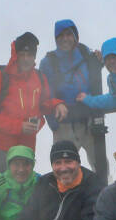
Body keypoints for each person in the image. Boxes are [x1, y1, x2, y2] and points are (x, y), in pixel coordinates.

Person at [0, 32, 68, 179]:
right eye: (22, 54)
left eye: (30, 55)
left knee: (24, 196)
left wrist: (57, 104)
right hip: (0, 149)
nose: (26, 59)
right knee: (2, 194)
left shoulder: (39, 77)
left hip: (26, 149)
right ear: (15, 54)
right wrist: (19, 126)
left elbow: (44, 103)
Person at [39, 19, 108, 185]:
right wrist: (54, 119)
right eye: (60, 35)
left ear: (76, 36)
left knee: (101, 167)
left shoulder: (88, 56)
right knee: (64, 169)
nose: (65, 38)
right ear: (55, 39)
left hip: (90, 121)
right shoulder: (48, 62)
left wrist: (103, 58)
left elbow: (108, 65)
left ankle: (103, 199)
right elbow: (43, 95)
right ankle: (64, 202)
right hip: (64, 124)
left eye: (69, 34)